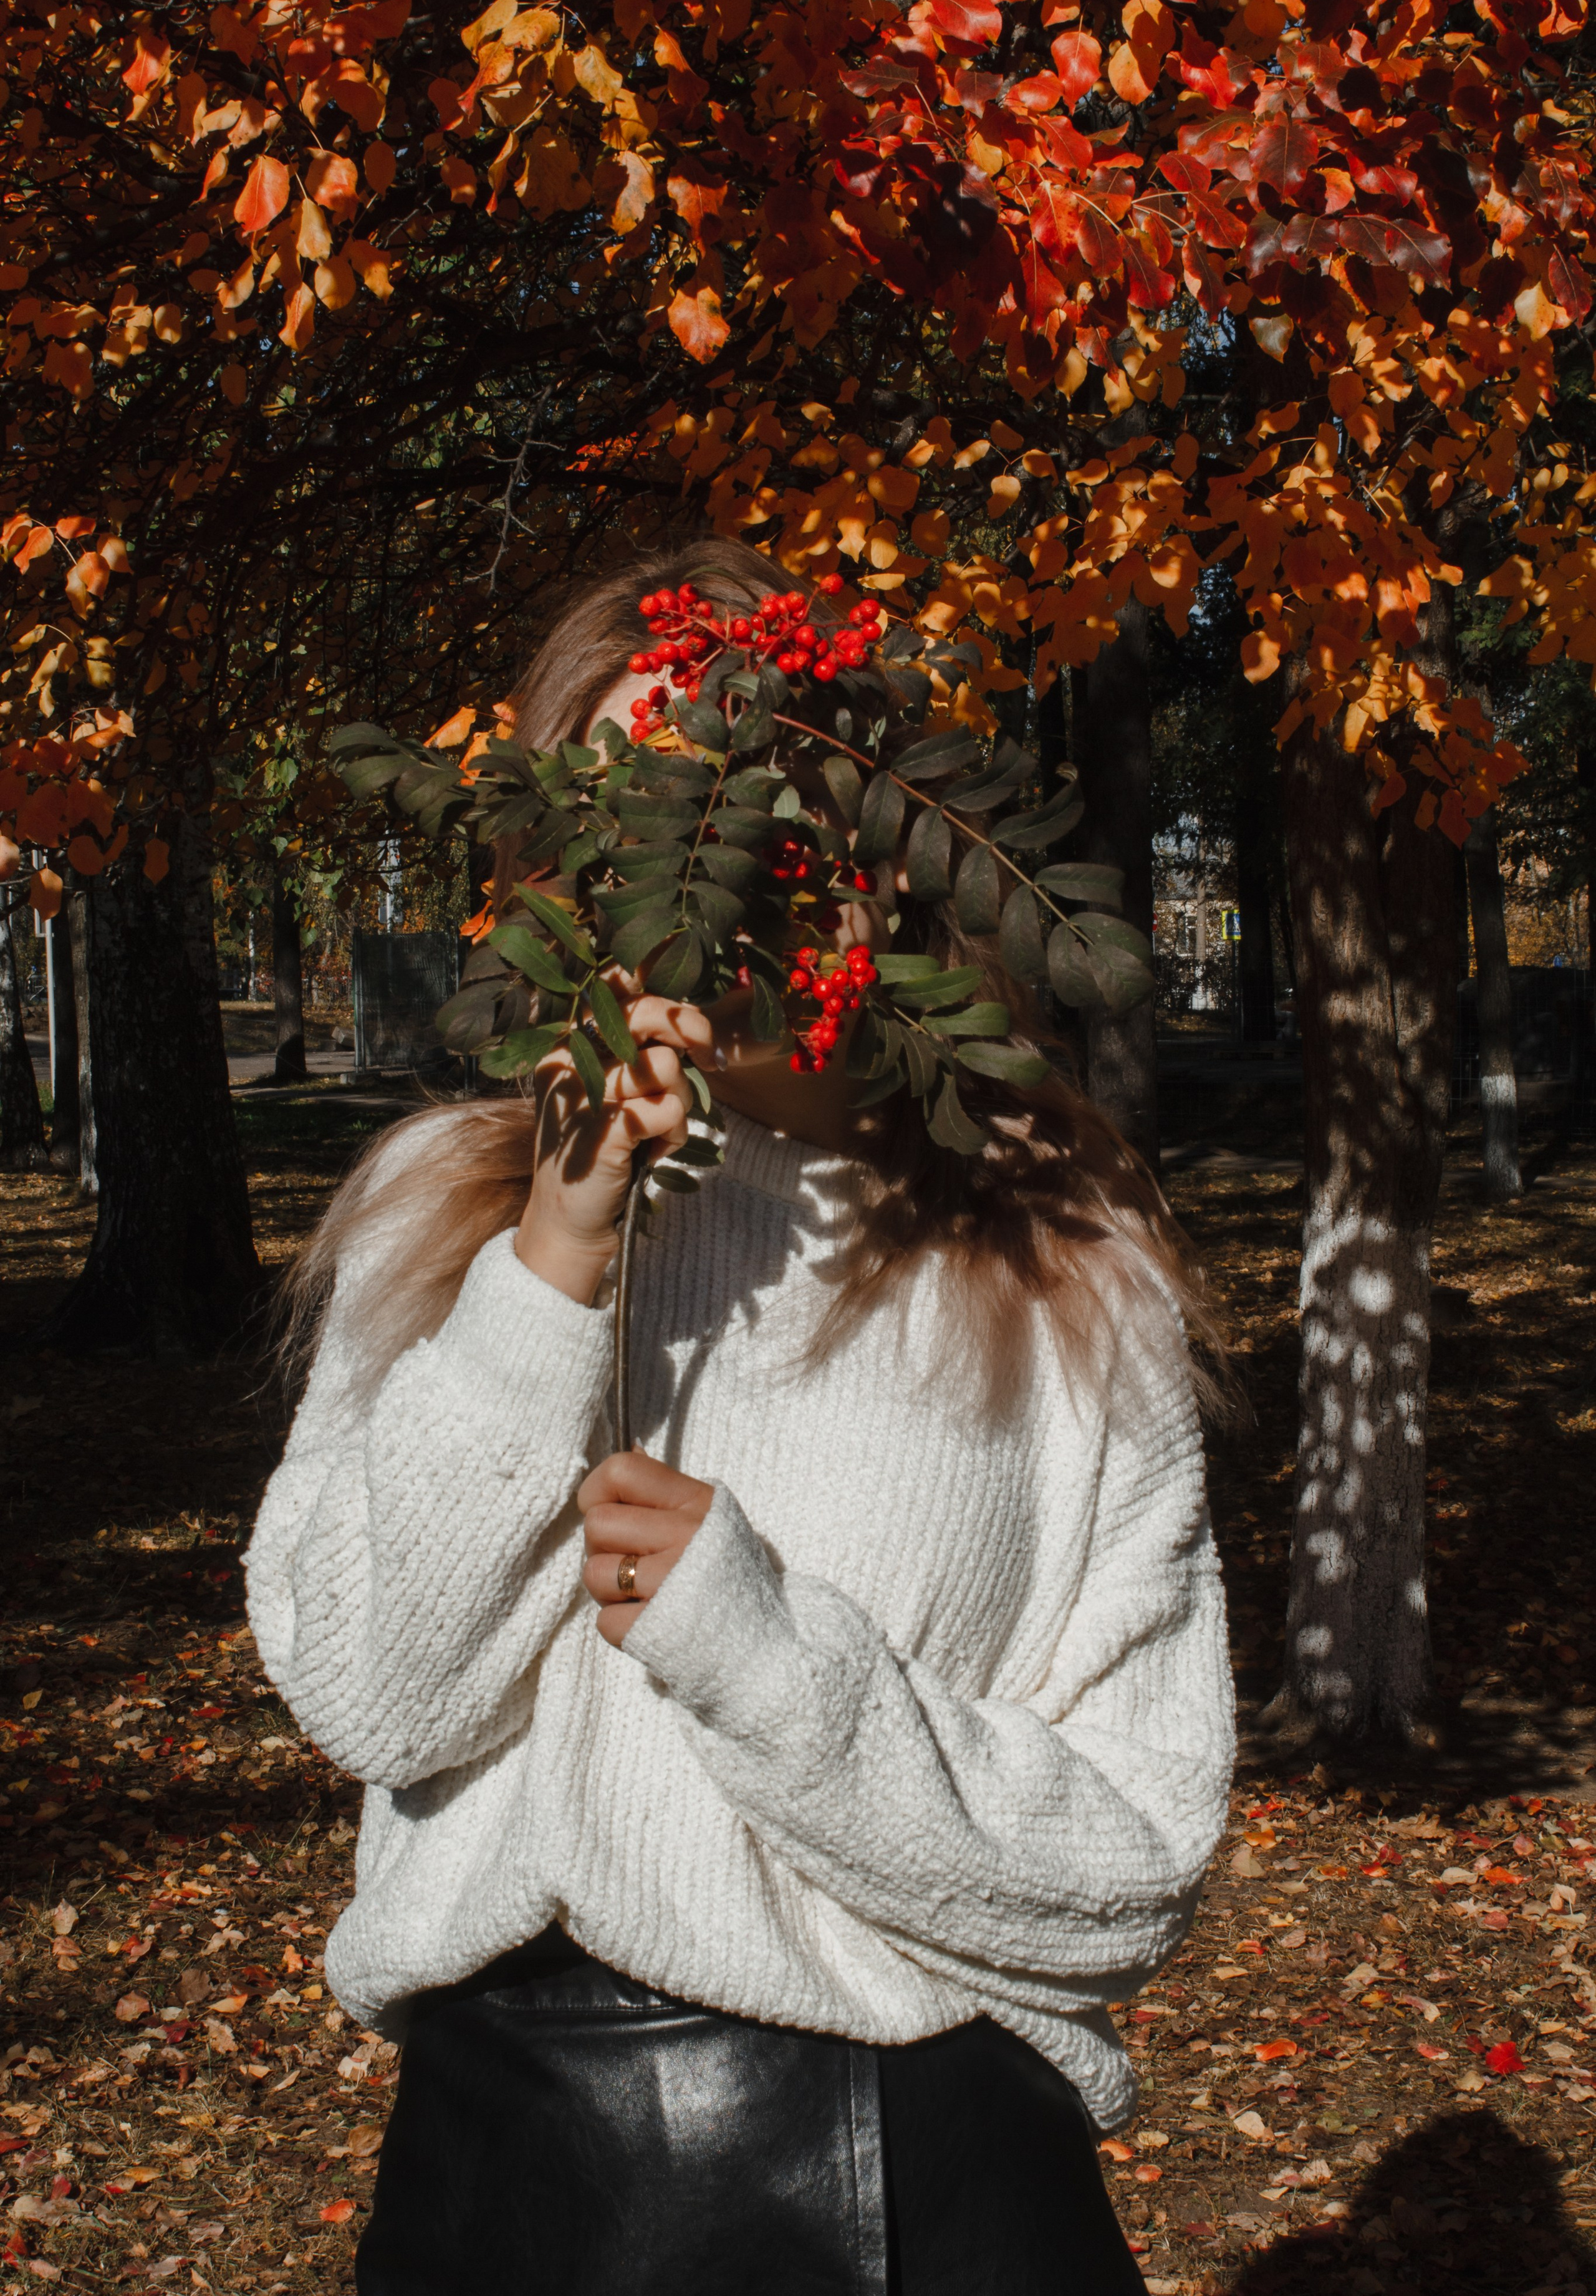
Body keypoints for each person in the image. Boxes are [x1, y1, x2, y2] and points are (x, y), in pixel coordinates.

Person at [246, 539, 1236, 2295]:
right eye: (647, 811)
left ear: (890, 831)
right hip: (509, 2183)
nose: (709, 873)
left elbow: (1133, 1860)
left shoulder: (1064, 1268)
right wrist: (549, 1262)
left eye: (768, 810)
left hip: (940, 2182)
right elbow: (378, 1692)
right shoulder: (437, 1219)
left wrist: (767, 1653)